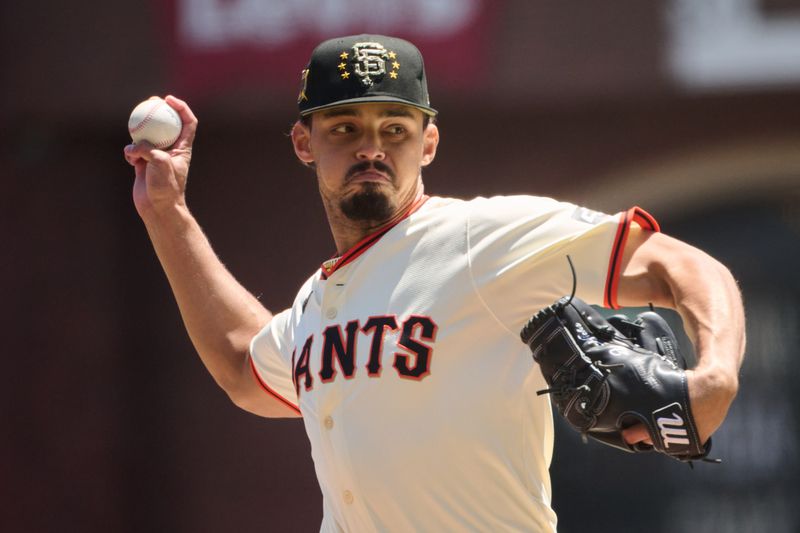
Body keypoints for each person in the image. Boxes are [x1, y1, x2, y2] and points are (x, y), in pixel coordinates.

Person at [123, 34, 745, 532]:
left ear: (429, 142)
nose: (373, 146)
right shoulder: (317, 301)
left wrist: (716, 375)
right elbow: (242, 366)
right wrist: (167, 213)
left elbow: (685, 267)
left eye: (395, 128)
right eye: (345, 128)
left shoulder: (482, 237)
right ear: (303, 143)